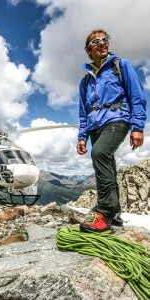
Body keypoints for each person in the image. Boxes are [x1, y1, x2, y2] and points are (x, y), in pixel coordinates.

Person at [76, 29, 146, 233]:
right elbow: (83, 111)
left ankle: (104, 212)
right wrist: (82, 136)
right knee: (105, 168)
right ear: (88, 51)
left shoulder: (120, 66)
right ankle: (115, 218)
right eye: (96, 41)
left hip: (118, 120)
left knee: (100, 153)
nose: (102, 43)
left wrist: (138, 127)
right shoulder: (86, 81)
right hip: (95, 127)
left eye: (105, 40)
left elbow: (137, 97)